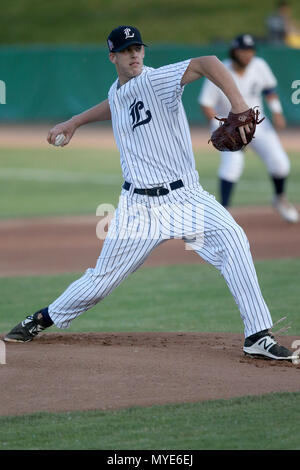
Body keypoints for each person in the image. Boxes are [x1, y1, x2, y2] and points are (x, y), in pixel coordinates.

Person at [4, 26, 298, 362]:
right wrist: (75, 122)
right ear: (112, 56)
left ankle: (257, 335)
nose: (134, 55)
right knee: (102, 280)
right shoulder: (118, 90)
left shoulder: (156, 79)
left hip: (187, 198)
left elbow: (208, 62)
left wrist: (239, 104)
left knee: (233, 240)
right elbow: (114, 103)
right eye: (126, 50)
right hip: (138, 207)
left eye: (138, 49)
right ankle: (42, 318)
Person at [198, 33, 299, 223]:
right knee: (232, 166)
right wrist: (220, 128)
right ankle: (224, 212)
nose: (247, 55)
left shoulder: (259, 65)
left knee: (280, 163)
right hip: (230, 127)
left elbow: (269, 90)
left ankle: (280, 199)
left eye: (250, 51)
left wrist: (277, 111)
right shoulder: (221, 70)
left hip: (257, 121)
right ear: (234, 51)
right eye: (243, 51)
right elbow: (206, 103)